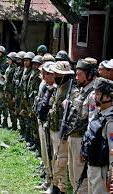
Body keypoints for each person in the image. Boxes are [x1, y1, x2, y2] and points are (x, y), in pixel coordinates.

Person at [65, 59, 97, 194]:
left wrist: (86, 146)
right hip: (72, 136)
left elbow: (92, 122)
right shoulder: (81, 90)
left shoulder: (93, 94)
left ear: (89, 75)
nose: (76, 77)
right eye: (76, 74)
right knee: (72, 175)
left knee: (80, 179)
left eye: (79, 74)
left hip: (81, 140)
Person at [80, 77, 113, 194]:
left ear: (108, 97)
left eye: (98, 94)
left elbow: (112, 151)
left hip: (102, 172)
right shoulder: (100, 114)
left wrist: (111, 176)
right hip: (92, 167)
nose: (95, 97)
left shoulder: (110, 121)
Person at [49, 61, 75, 194]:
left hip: (63, 132)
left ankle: (63, 188)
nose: (55, 76)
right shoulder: (59, 87)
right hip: (55, 129)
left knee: (62, 161)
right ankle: (56, 185)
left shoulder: (70, 91)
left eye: (57, 74)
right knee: (56, 158)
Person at [34, 61, 56, 192]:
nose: (43, 75)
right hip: (42, 123)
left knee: (51, 155)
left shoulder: (56, 88)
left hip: (50, 126)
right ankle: (47, 180)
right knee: (45, 155)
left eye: (46, 73)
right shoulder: (45, 85)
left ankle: (53, 183)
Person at [3, 52, 17, 130]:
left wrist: (13, 93)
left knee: (12, 109)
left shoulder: (14, 68)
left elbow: (13, 82)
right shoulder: (9, 67)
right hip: (7, 91)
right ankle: (6, 123)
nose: (8, 60)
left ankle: (14, 125)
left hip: (11, 92)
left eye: (9, 59)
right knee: (6, 107)